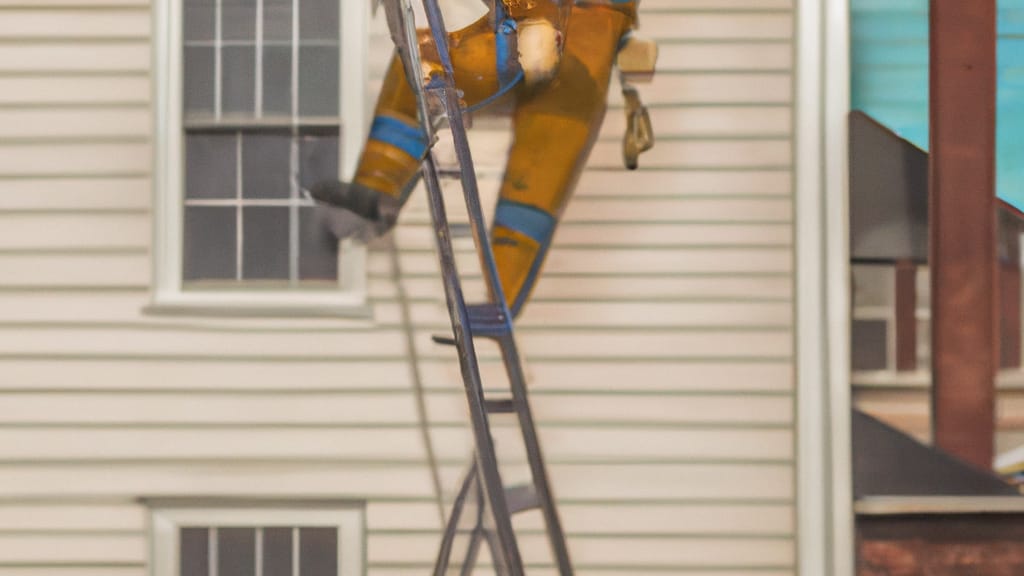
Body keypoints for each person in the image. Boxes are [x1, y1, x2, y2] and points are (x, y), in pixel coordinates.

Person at [312, 0, 640, 317]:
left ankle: (378, 188)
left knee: (538, 166)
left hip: (561, 45)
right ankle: (502, 299)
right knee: (539, 168)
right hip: (562, 42)